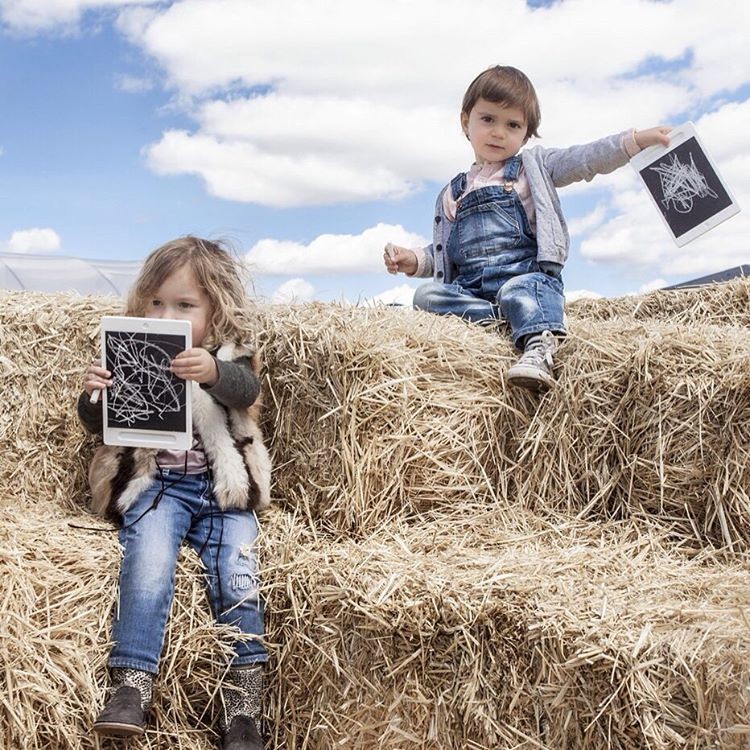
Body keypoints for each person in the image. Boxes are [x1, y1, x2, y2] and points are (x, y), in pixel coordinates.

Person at [78, 236, 272, 750]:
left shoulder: (230, 354)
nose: (168, 314)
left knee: (238, 577)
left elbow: (246, 391)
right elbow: (97, 422)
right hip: (159, 488)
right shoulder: (128, 353)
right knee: (148, 565)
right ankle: (130, 688)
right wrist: (97, 394)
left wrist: (212, 373)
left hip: (223, 494)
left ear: (216, 309)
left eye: (185, 305)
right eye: (157, 302)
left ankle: (244, 712)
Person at [384, 65, 671, 391]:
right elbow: (447, 255)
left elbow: (586, 159)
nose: (498, 132)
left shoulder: (534, 168)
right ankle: (501, 318)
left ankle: (539, 346)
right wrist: (414, 260)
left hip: (525, 277)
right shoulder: (453, 193)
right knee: (426, 295)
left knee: (521, 292)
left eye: (513, 125)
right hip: (474, 293)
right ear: (466, 121)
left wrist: (634, 141)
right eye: (488, 119)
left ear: (527, 134)